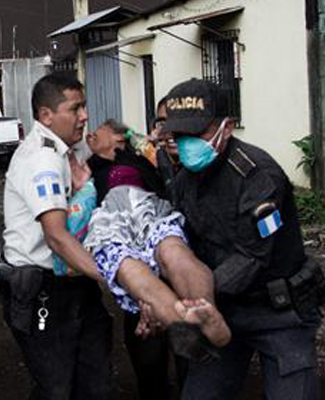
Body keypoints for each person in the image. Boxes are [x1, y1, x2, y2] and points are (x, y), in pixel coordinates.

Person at [163, 79, 325, 400]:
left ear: (227, 127)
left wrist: (196, 299)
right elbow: (182, 243)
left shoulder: (258, 176)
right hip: (222, 309)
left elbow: (252, 256)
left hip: (279, 314)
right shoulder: (184, 181)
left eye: (197, 134)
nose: (186, 143)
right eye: (180, 135)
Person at [0, 73, 117, 400]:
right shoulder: (42, 158)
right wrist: (117, 277)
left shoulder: (63, 152)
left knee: (94, 381)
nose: (85, 116)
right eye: (75, 108)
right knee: (56, 389)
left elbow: (72, 216)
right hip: (43, 289)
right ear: (47, 115)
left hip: (72, 281)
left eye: (84, 106)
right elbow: (58, 238)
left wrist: (84, 190)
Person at [79, 121, 230, 361]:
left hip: (148, 208)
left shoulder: (143, 155)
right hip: (111, 220)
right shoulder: (87, 168)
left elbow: (165, 176)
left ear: (118, 138)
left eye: (98, 131)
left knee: (173, 250)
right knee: (126, 264)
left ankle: (206, 311)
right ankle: (187, 327)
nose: (90, 135)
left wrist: (152, 146)